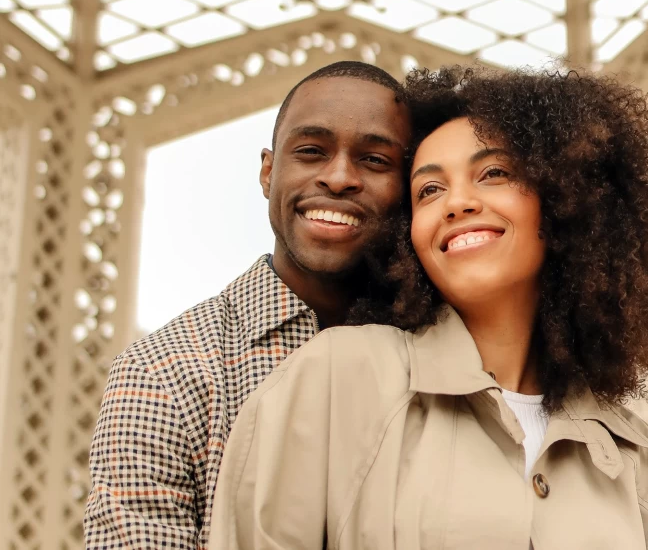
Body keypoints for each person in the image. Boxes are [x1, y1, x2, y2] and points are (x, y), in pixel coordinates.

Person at [207, 66, 648, 549]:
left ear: (566, 197)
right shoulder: (338, 376)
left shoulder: (638, 455)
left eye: (494, 173)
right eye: (429, 189)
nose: (457, 202)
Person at [83, 61, 412, 549]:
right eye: (311, 151)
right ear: (268, 170)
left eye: (376, 160)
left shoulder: (453, 352)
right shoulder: (163, 375)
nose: (340, 177)